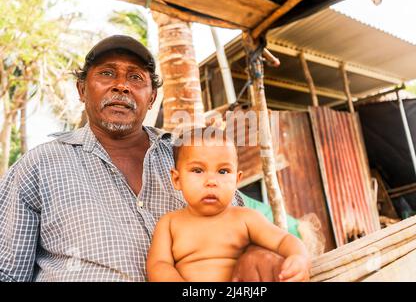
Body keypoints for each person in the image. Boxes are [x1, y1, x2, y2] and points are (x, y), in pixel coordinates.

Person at [0, 35, 285, 282]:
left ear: (151, 98)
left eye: (135, 77)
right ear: (82, 89)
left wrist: (257, 252)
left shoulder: (189, 153)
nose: (122, 86)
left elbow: (246, 227)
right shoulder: (39, 165)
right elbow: (7, 272)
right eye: (107, 73)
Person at [147, 127, 311, 282]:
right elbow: (159, 265)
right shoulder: (169, 224)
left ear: (237, 181)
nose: (211, 181)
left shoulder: (245, 218)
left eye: (223, 171)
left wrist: (299, 257)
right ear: (177, 179)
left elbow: (283, 240)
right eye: (198, 170)